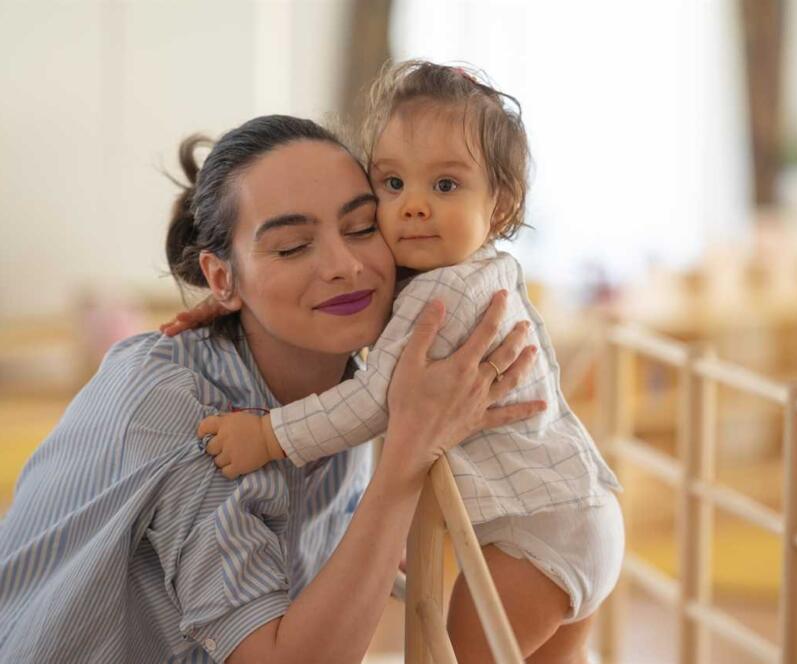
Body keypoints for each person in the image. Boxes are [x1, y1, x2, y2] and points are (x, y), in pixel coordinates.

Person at [0, 115, 544, 663]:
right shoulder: (186, 413)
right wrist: (406, 457)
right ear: (220, 279)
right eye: (291, 247)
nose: (345, 266)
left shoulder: (347, 381)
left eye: (361, 228)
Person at [174, 61, 625, 663]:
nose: (413, 206)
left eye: (444, 186)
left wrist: (267, 434)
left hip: (533, 540)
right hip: (579, 519)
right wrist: (234, 299)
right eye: (391, 185)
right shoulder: (477, 271)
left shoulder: (438, 298)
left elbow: (371, 401)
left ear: (500, 206)